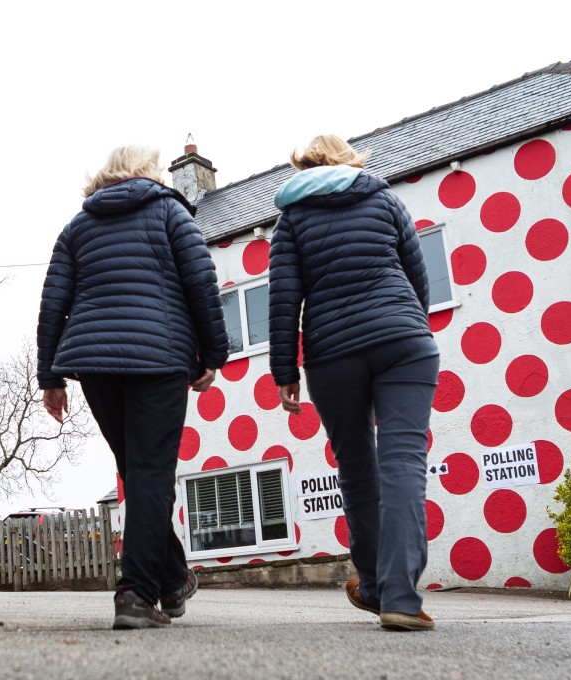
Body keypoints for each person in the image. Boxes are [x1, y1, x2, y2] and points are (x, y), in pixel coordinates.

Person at [37, 145, 229, 629]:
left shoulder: (76, 229)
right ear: (147, 172)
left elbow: (52, 302)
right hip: (158, 358)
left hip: (95, 366)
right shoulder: (169, 212)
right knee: (149, 473)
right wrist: (214, 354)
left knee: (136, 470)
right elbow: (201, 282)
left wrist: (50, 375)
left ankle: (171, 579)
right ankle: (136, 593)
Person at [268, 135, 440, 631]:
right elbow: (416, 274)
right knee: (404, 463)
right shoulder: (383, 197)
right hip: (404, 340)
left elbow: (283, 302)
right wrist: (411, 324)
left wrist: (285, 372)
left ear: (302, 168)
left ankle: (373, 586)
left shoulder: (291, 219)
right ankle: (402, 599)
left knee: (357, 468)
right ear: (349, 159)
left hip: (332, 354)